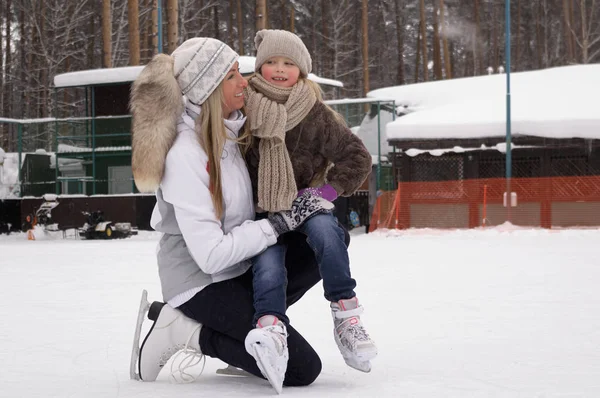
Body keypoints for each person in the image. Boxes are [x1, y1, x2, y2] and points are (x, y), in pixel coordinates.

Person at [129, 37, 336, 393]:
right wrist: (276, 226)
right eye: (232, 76)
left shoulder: (232, 133)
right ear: (207, 89)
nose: (245, 82)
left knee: (323, 243)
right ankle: (188, 331)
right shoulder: (185, 155)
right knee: (302, 368)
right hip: (200, 281)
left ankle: (244, 331)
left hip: (238, 265)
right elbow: (210, 256)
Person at [242, 29, 377, 376]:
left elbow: (357, 156)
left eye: (288, 63)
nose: (279, 69)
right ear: (259, 67)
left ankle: (346, 317)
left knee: (328, 236)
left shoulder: (314, 114)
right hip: (262, 213)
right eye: (271, 62)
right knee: (269, 269)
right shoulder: (244, 106)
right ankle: (270, 330)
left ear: (301, 69)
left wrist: (327, 193)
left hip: (304, 206)